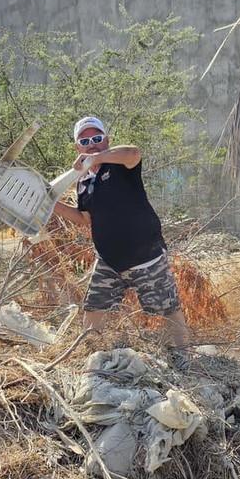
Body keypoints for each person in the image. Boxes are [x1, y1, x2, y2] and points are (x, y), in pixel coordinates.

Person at [50, 116, 190, 356]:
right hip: (109, 261)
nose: (91, 144)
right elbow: (85, 219)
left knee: (168, 309)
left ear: (107, 140)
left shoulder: (120, 164)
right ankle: (92, 359)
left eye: (97, 138)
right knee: (94, 308)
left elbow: (133, 153)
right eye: (85, 140)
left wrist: (97, 158)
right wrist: (51, 204)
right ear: (77, 147)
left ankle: (185, 359)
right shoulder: (83, 182)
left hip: (146, 256)